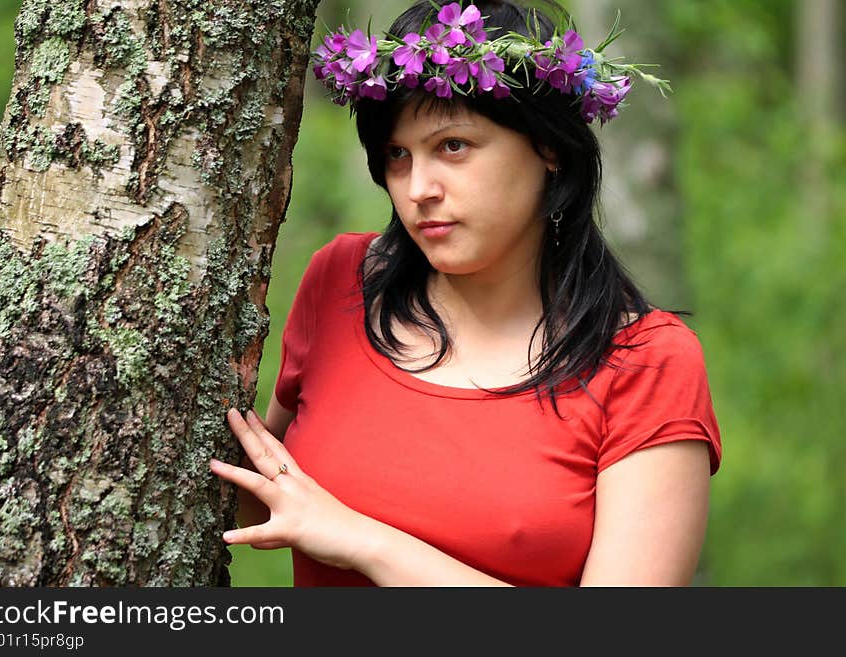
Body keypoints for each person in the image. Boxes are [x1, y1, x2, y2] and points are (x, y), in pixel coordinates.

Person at [210, 0, 722, 586]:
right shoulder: (343, 281)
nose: (418, 189)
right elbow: (266, 498)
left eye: (452, 146)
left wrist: (364, 541)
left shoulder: (647, 361)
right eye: (397, 156)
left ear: (548, 147)